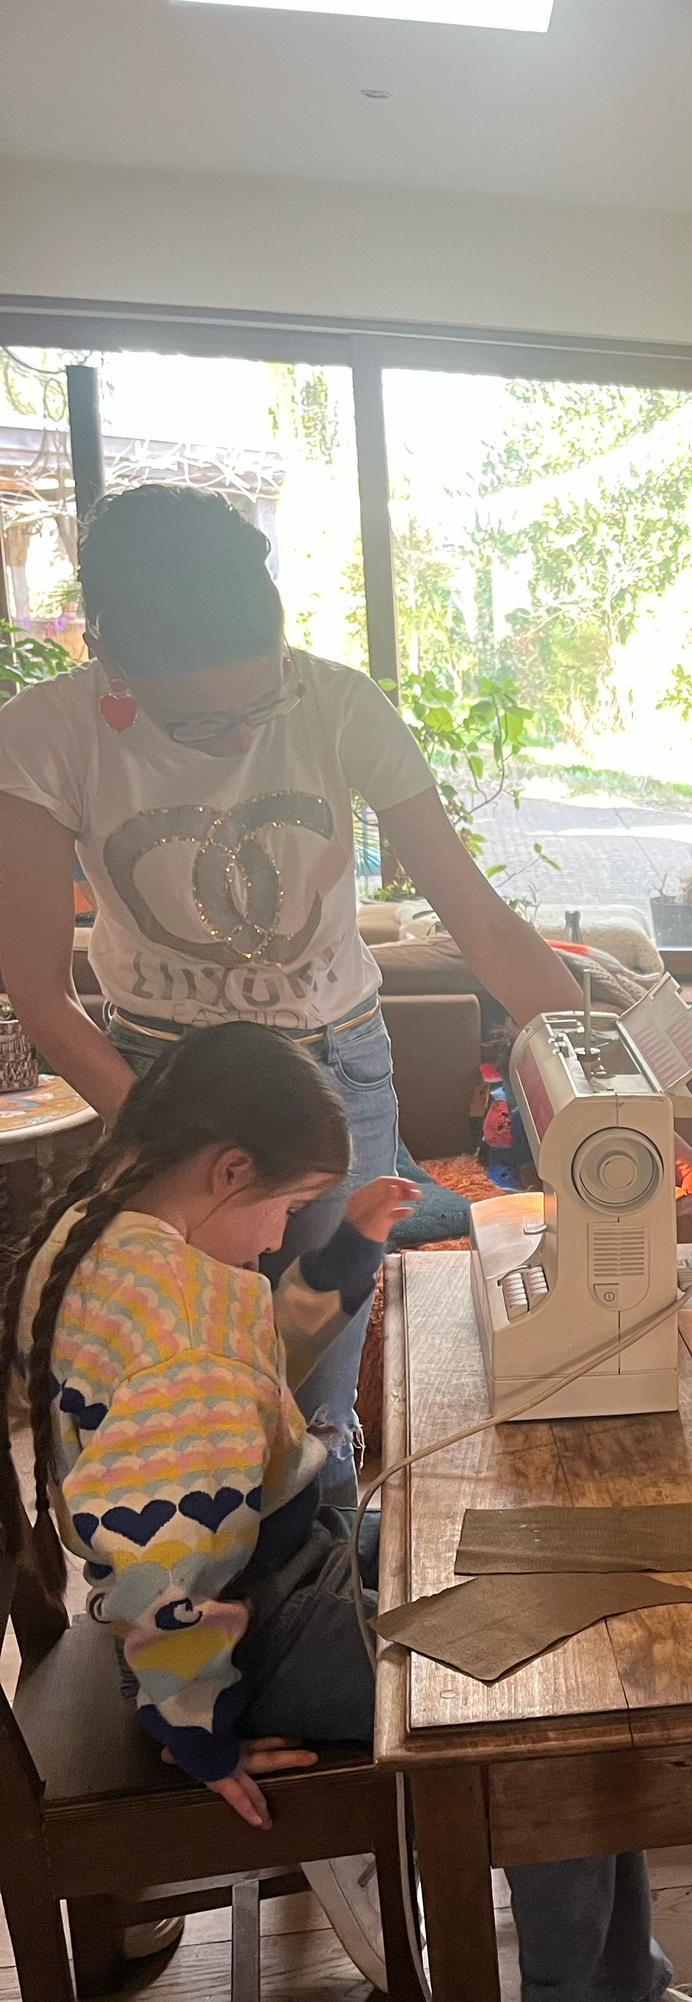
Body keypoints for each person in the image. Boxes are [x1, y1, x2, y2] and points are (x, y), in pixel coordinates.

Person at [2, 1025, 684, 2002]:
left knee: (559, 1567)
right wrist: (200, 1731)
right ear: (228, 1170)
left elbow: (242, 1367)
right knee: (552, 1687)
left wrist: (344, 1252)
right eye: (283, 1209)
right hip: (256, 1631)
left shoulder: (106, 1240)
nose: (279, 1236)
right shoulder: (178, 1343)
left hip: (274, 1564)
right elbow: (161, 1568)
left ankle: (616, 1978)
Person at [0, 482, 581, 1505]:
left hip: (330, 1067)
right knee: (168, 1380)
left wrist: (598, 1062)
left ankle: (319, 1607)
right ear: (113, 664)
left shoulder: (339, 703)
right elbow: (40, 993)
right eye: (199, 721)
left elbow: (485, 926)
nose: (238, 739)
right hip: (158, 1076)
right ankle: (174, 1608)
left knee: (311, 1393)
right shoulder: (46, 736)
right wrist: (172, 1146)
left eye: (259, 704)